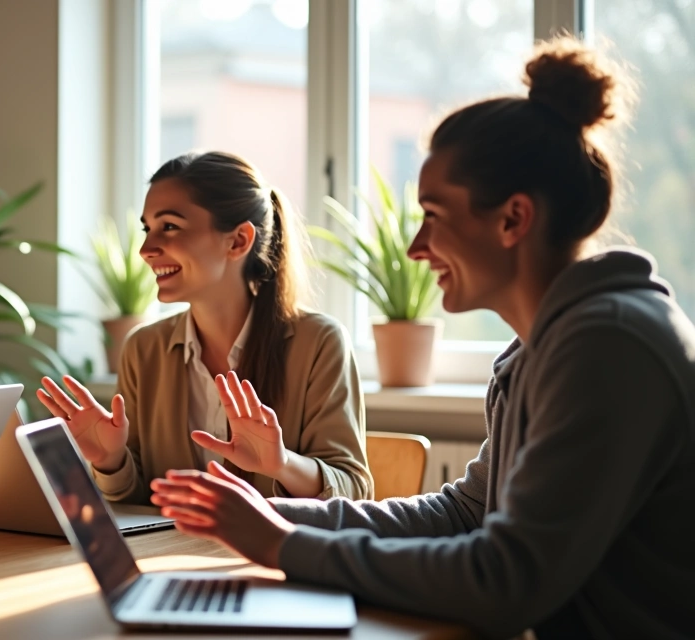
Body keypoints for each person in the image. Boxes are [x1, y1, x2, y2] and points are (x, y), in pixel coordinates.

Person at [150, 37, 695, 639]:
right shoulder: (546, 346)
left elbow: (505, 580)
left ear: (513, 219)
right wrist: (278, 515)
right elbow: (463, 514)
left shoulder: (610, 348)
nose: (416, 247)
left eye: (434, 214)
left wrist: (282, 545)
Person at [38, 151, 371, 505]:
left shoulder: (318, 343)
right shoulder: (143, 349)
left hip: (272, 558)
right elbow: (137, 504)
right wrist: (110, 461)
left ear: (239, 240)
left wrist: (282, 464)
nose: (147, 249)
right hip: (172, 558)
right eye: (147, 229)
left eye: (169, 226)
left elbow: (353, 491)